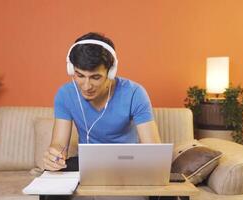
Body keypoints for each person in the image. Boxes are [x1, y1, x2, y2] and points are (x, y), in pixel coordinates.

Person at [42, 32, 161, 200]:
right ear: (71, 69)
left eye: (95, 77)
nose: (86, 85)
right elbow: (59, 143)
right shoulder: (65, 94)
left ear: (111, 72)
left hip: (127, 164)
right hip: (87, 164)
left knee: (164, 190)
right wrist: (54, 156)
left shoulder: (135, 93)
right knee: (49, 186)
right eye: (79, 75)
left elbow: (153, 150)